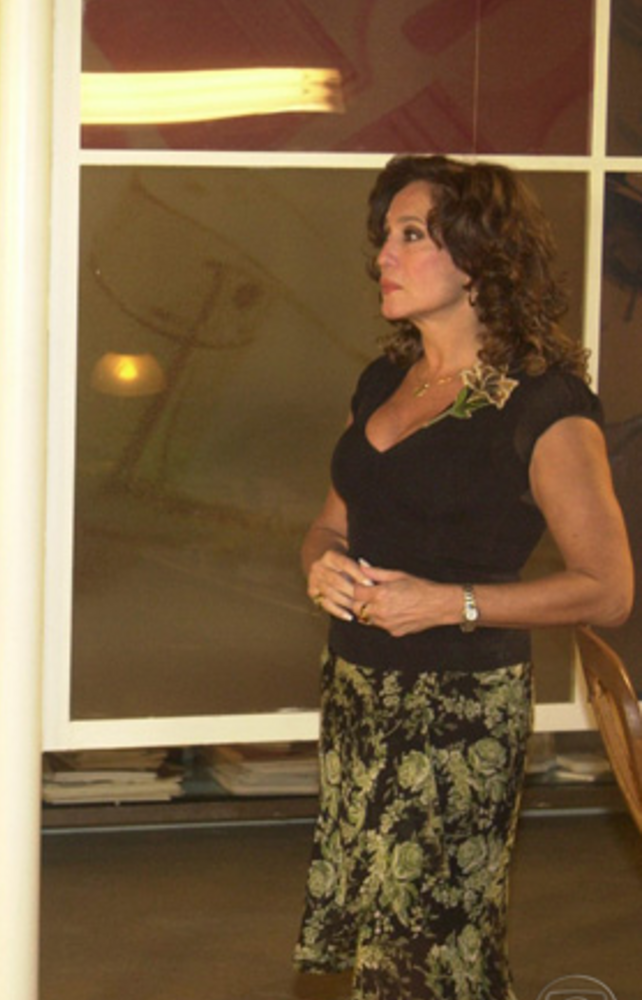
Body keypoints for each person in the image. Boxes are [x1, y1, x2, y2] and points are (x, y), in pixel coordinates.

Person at [294, 153, 634, 999]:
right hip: (357, 692)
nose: (384, 255)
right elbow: (330, 523)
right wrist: (318, 568)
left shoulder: (542, 403)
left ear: (481, 256)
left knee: (430, 951)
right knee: (380, 941)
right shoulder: (384, 379)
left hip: (459, 713)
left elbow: (608, 588)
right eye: (386, 236)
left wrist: (452, 603)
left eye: (412, 235)